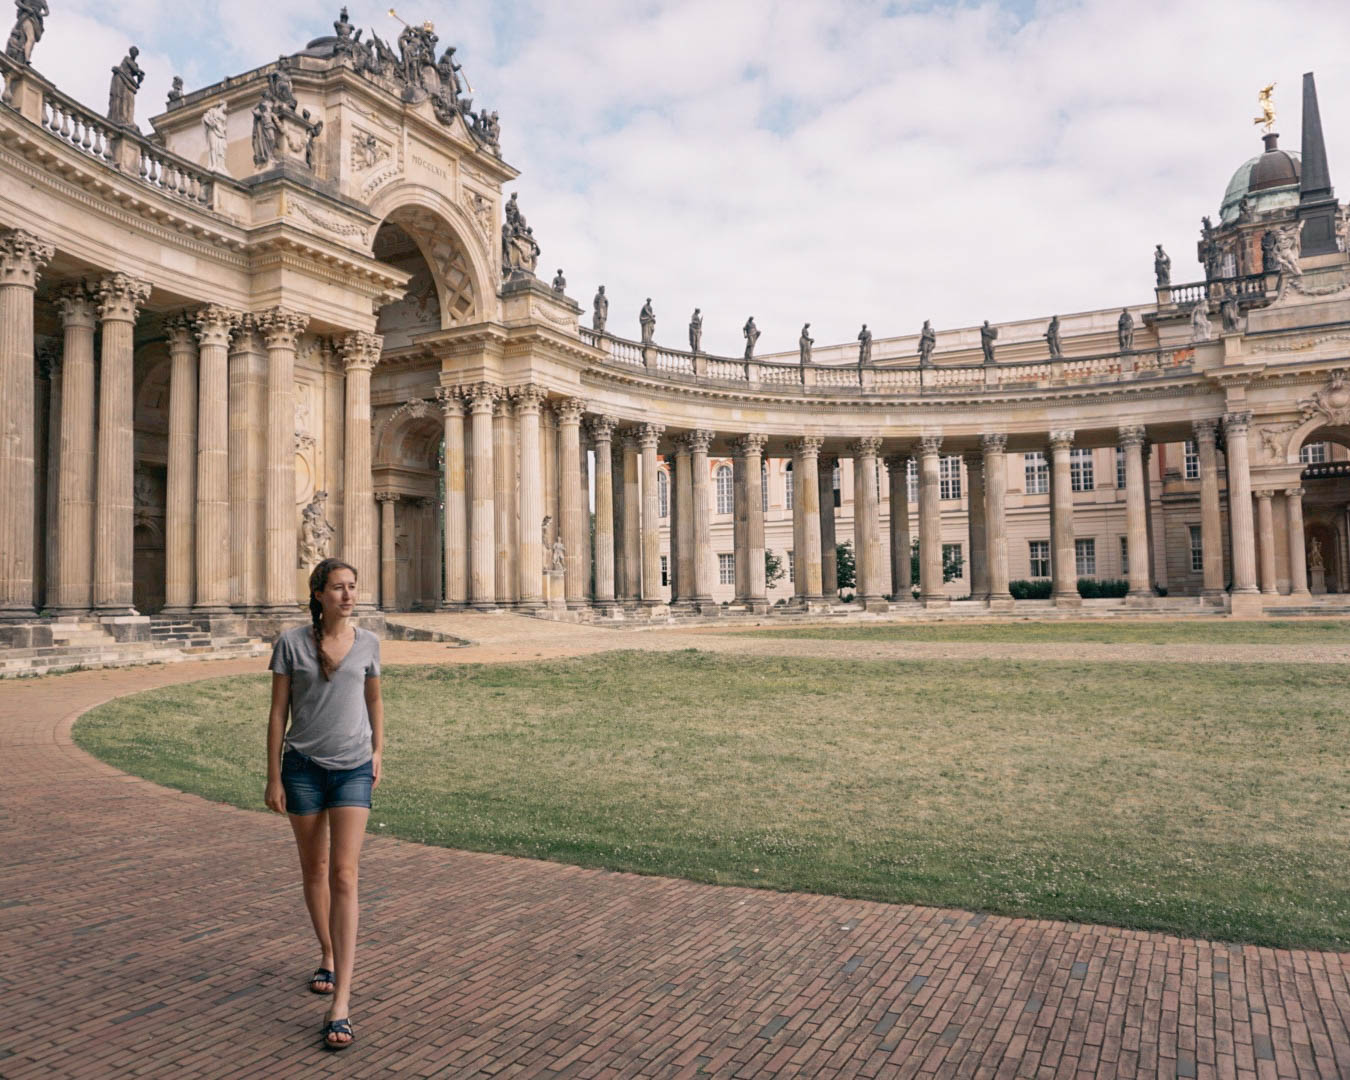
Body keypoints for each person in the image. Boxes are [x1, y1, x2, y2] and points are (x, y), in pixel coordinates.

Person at [265, 558, 384, 1052]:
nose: (348, 595)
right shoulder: (291, 643)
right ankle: (328, 954)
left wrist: (379, 751)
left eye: (352, 587)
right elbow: (278, 713)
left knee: (345, 874)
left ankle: (342, 1004)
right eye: (338, 588)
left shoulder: (370, 643)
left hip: (353, 767)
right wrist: (273, 775)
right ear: (319, 594)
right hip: (303, 769)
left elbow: (375, 700)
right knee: (313, 868)